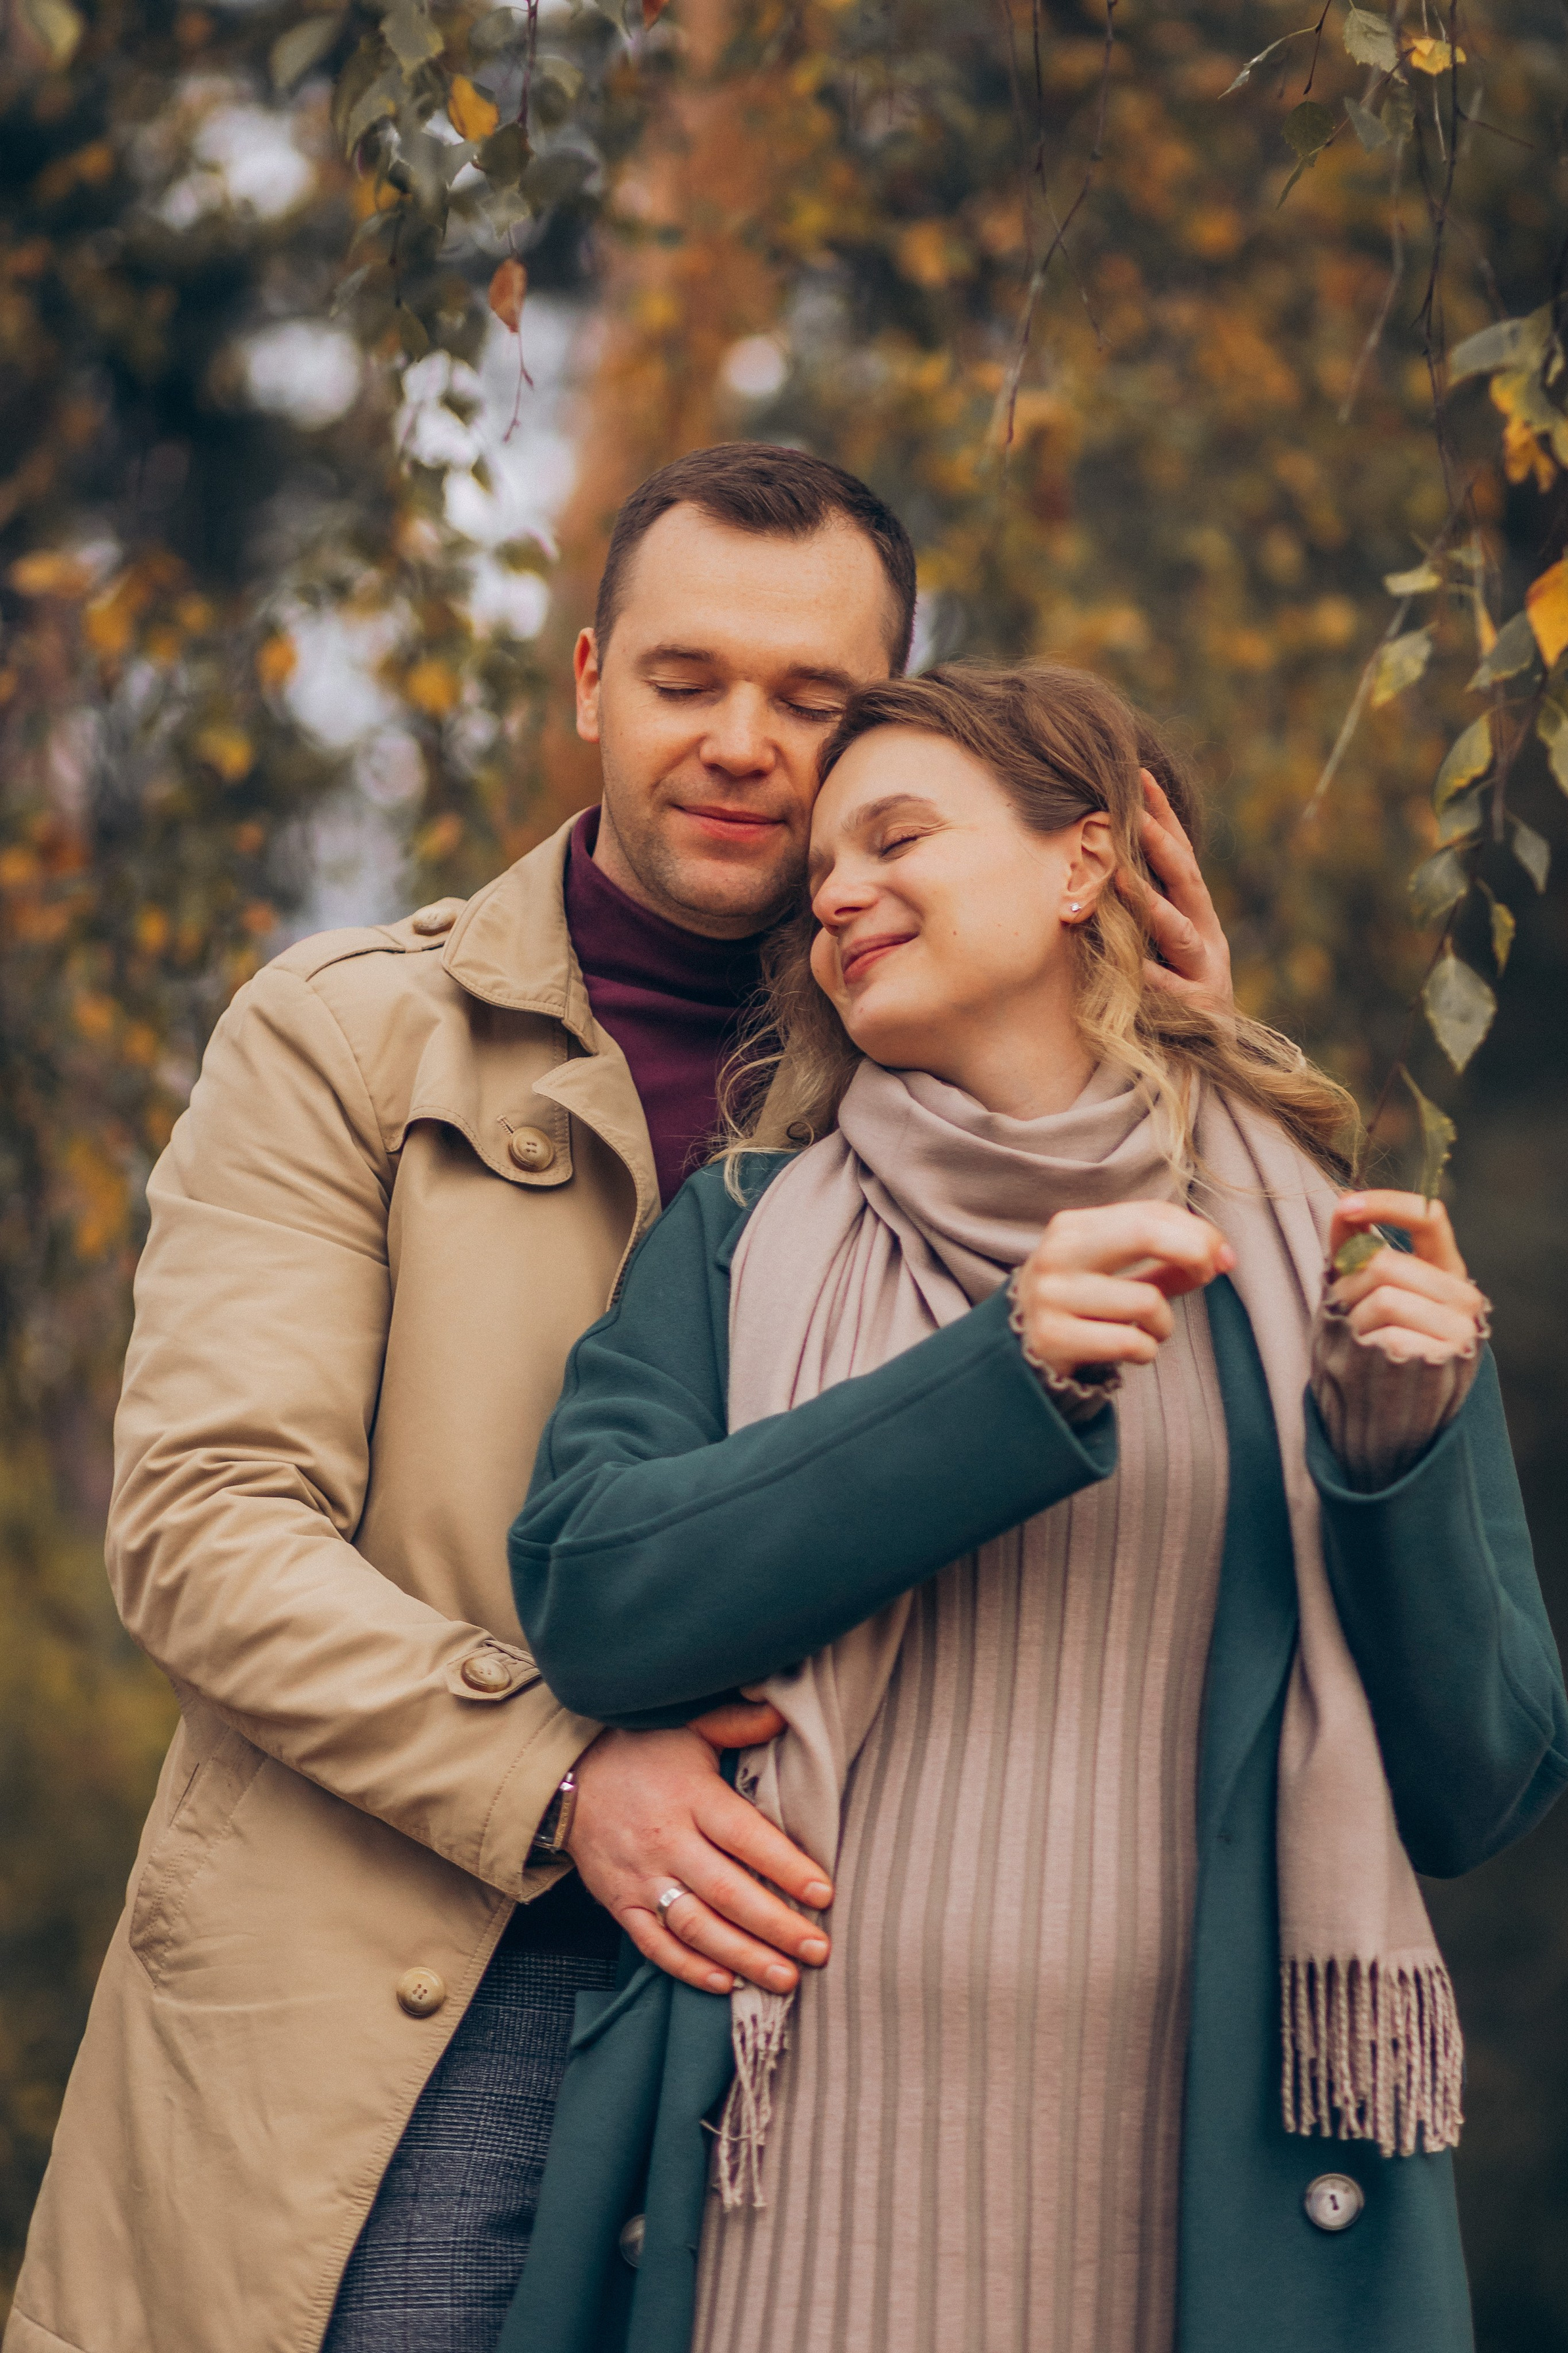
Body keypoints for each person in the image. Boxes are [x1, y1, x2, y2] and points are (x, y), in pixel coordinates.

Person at [1, 450, 1235, 2353]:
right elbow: (204, 1535)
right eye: (686, 681)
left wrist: (1163, 1046)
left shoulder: (951, 1053)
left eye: (813, 704)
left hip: (862, 2010)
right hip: (414, 1988)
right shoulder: (346, 1033)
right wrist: (561, 1783)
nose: (745, 742)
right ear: (589, 682)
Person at [503, 664, 1568, 2353]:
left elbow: (1482, 1777)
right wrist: (993, 1387)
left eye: (896, 835)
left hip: (1199, 2199)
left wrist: (1394, 1455)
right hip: (791, 2189)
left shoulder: (1320, 1255)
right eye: (821, 871)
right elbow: (590, 1593)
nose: (838, 888)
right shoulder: (738, 1232)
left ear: (1083, 864)